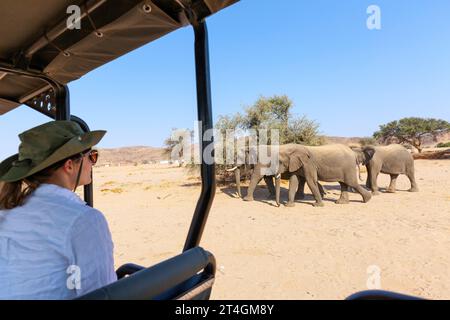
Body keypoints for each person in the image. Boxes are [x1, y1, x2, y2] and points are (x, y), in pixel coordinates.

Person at [0, 120, 117, 299]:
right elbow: (104, 293)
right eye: (91, 157)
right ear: (69, 165)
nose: (92, 164)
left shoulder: (9, 209)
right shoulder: (83, 220)